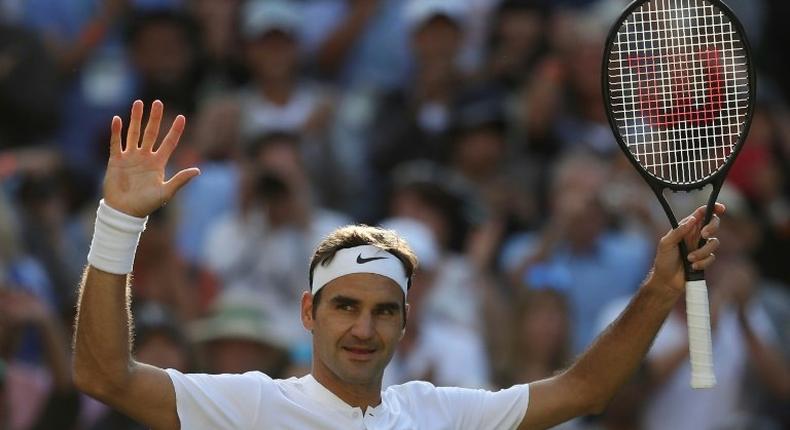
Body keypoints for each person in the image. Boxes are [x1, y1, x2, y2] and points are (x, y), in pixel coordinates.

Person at [73, 101, 723, 429]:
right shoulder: (254, 404)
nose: (364, 328)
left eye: (384, 311)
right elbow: (105, 375)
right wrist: (120, 222)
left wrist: (661, 287)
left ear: (406, 323)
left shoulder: (436, 411)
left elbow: (585, 391)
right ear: (309, 312)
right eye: (346, 306)